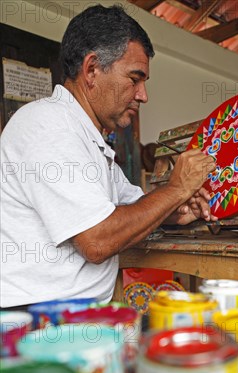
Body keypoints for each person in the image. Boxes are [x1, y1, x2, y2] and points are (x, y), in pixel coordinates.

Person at [0, 4, 216, 308]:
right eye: (135, 78)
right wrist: (177, 189)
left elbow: (132, 209)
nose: (143, 95)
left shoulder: (87, 139)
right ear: (91, 70)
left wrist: (175, 210)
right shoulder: (48, 125)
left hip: (72, 313)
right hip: (38, 319)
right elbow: (98, 240)